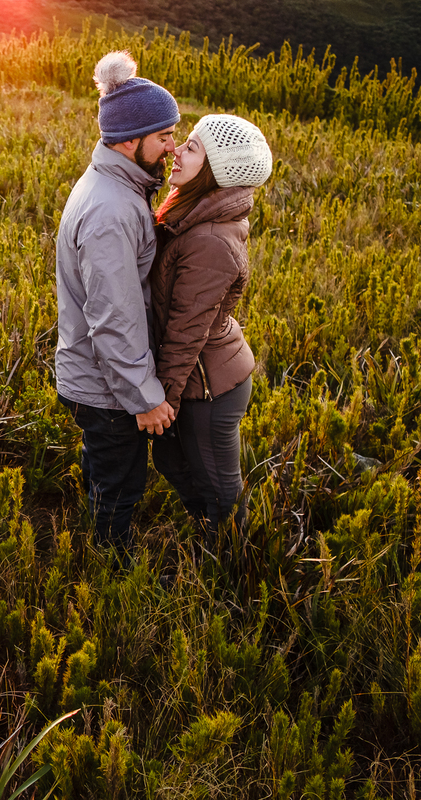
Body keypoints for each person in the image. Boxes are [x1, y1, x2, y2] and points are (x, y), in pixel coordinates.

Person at [56, 51, 179, 556]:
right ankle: (111, 569)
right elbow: (114, 319)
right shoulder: (111, 211)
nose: (172, 147)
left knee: (104, 468)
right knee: (121, 487)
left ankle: (96, 534)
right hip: (106, 388)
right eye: (164, 136)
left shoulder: (115, 186)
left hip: (93, 375)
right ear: (130, 140)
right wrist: (144, 398)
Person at [148, 114, 273, 539]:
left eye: (193, 148)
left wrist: (162, 402)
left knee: (220, 492)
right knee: (172, 462)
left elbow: (186, 333)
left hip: (209, 387)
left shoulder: (210, 241)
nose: (176, 150)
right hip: (194, 377)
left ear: (217, 172)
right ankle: (208, 532)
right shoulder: (194, 214)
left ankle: (231, 560)